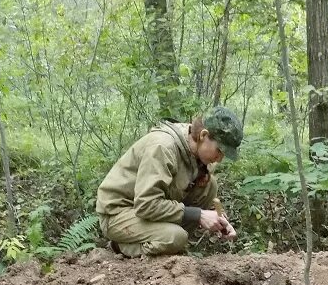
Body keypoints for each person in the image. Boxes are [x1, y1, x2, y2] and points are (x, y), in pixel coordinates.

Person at [96, 106, 244, 257]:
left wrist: (218, 216)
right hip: (118, 213)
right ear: (203, 135)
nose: (220, 158)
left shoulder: (197, 151)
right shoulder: (163, 147)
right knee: (175, 237)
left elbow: (203, 194)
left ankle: (169, 244)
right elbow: (146, 204)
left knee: (209, 185)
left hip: (146, 209)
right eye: (219, 150)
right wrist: (198, 215)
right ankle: (123, 246)